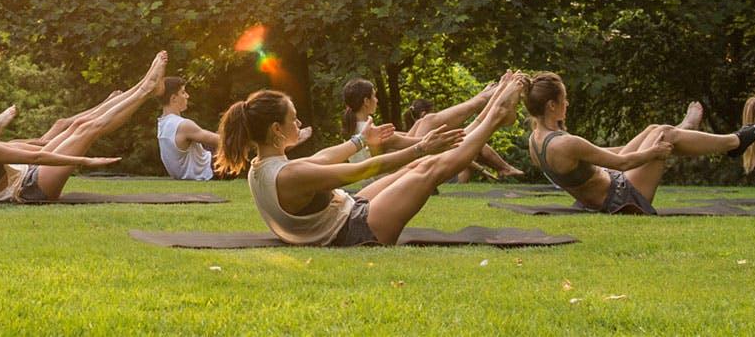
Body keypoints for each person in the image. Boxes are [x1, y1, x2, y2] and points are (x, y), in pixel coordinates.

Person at [213, 72, 526, 246]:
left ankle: (493, 108)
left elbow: (322, 158)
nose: (298, 124)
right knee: (427, 167)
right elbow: (365, 167)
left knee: (418, 166)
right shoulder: (289, 175)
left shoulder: (262, 167)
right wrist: (420, 148)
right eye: (294, 120)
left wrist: (361, 139)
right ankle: (497, 114)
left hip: (347, 210)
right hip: (356, 231)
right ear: (276, 129)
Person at [0, 51, 167, 202]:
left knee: (79, 124)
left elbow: (20, 152)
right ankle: (146, 89)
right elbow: (37, 158)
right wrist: (85, 161)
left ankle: (145, 85)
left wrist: (41, 146)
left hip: (26, 175)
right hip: (29, 189)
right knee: (89, 130)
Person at [522, 73, 755, 213]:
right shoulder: (565, 143)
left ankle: (682, 130)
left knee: (654, 129)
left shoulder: (536, 141)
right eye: (564, 99)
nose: (568, 104)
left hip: (606, 186)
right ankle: (734, 142)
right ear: (551, 105)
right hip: (622, 197)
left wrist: (649, 145)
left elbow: (600, 154)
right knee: (665, 136)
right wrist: (655, 151)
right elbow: (623, 163)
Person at [340, 78, 523, 179]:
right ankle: (484, 100)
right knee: (428, 122)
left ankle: (484, 100)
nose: (377, 100)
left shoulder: (358, 129)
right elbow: (433, 144)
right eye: (374, 96)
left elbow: (405, 139)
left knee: (423, 122)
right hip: (398, 179)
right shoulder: (373, 134)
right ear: (366, 102)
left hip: (392, 173)